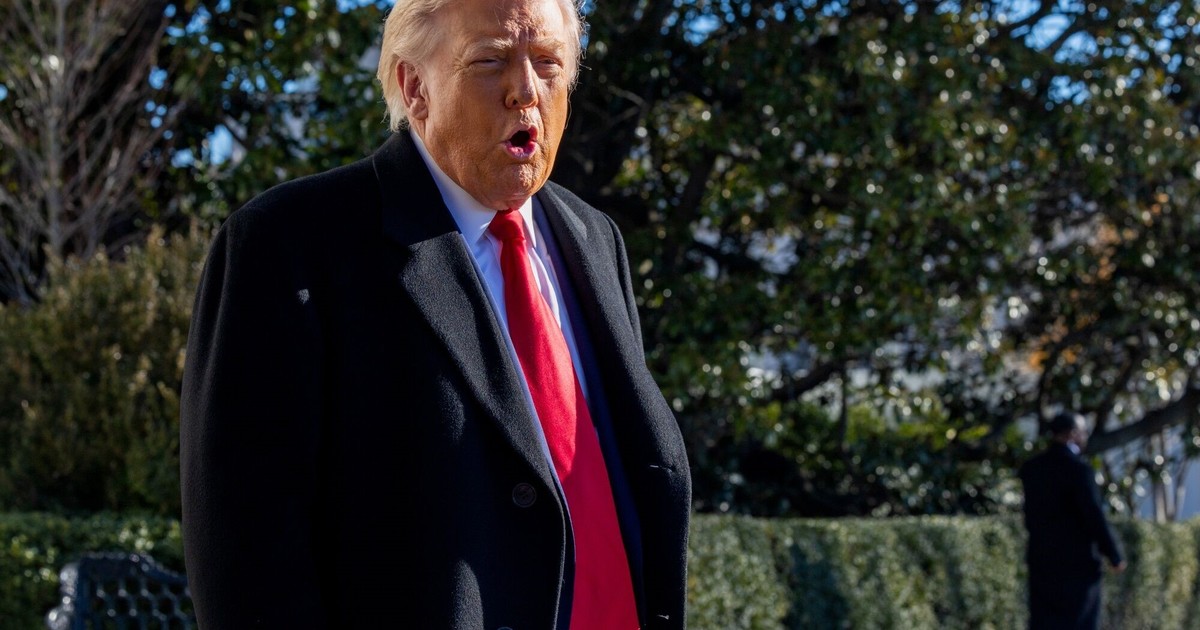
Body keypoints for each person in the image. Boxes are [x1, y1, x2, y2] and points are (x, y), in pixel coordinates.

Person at [178, 0, 691, 627]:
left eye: (548, 63)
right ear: (414, 86)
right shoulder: (290, 243)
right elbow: (245, 559)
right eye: (490, 61)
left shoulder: (594, 238)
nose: (526, 91)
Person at [1018, 411, 1125, 630]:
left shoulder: (1032, 468)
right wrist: (1113, 554)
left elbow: (1029, 515)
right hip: (1077, 565)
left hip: (1042, 561)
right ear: (1073, 434)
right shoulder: (1079, 470)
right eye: (1083, 432)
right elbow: (1093, 515)